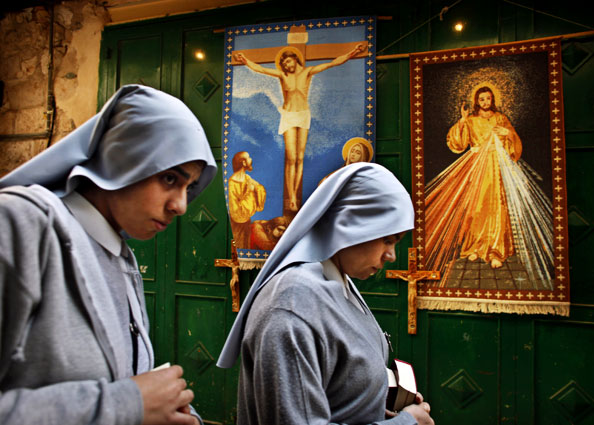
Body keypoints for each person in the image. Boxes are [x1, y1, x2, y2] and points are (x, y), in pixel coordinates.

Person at [0, 84, 217, 425]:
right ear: (123, 159)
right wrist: (127, 405)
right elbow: (128, 400)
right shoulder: (22, 223)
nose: (181, 206)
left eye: (188, 187)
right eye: (169, 178)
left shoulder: (121, 259)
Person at [217, 162, 435, 425]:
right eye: (387, 240)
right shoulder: (292, 304)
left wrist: (380, 409)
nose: (391, 256)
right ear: (349, 223)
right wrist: (407, 423)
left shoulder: (337, 281)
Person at [424, 85, 553, 286]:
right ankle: (474, 247)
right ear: (477, 101)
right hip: (478, 167)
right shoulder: (471, 120)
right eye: (482, 99)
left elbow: (513, 144)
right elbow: (457, 143)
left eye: (488, 98)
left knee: (497, 208)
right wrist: (462, 120)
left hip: (498, 167)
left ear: (492, 100)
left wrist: (509, 134)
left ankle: (496, 251)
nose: (485, 102)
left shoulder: (500, 118)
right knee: (476, 208)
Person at [234, 42, 365, 213]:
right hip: (289, 115)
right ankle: (291, 196)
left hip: (303, 115)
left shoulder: (307, 72)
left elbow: (332, 63)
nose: (287, 65)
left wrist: (352, 53)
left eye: (288, 61)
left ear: (295, 59)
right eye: (284, 63)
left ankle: (295, 195)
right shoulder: (282, 75)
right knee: (291, 157)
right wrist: (245, 60)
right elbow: (261, 69)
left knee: (300, 158)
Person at [228, 151, 266, 248]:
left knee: (246, 246)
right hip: (237, 225)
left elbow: (260, 189)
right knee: (238, 247)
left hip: (246, 222)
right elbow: (236, 212)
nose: (251, 159)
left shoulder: (247, 178)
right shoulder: (232, 183)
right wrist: (249, 191)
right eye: (248, 157)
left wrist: (256, 189)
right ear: (243, 163)